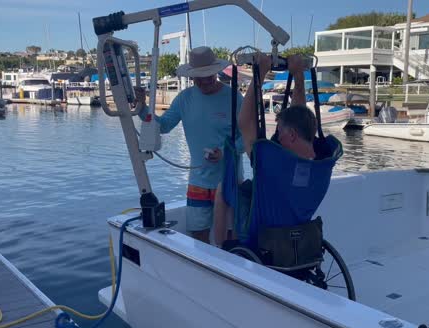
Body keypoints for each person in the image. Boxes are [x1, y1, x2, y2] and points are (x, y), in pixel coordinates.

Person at [135, 46, 243, 244]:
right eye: (199, 78)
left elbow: (247, 137)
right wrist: (142, 108)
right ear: (192, 77)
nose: (204, 82)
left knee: (230, 238)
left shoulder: (235, 97)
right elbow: (164, 126)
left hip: (229, 180)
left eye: (208, 76)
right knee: (198, 235)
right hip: (198, 183)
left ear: (215, 73)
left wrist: (227, 153)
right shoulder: (185, 98)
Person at [213, 54, 316, 246]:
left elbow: (245, 122)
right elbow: (299, 114)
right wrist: (298, 76)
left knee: (224, 190)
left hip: (267, 228)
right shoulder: (321, 161)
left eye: (280, 131)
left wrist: (259, 72)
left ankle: (220, 249)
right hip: (297, 222)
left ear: (292, 135)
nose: (277, 135)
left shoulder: (273, 161)